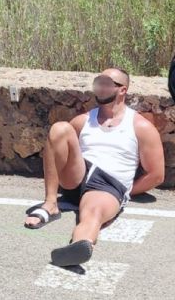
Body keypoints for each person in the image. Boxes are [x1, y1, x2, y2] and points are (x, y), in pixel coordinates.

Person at [24, 68, 164, 266]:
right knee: (60, 128)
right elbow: (60, 149)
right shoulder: (84, 120)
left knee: (93, 212)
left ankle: (80, 245)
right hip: (78, 176)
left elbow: (156, 175)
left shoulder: (140, 127)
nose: (100, 87)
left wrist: (125, 192)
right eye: (98, 82)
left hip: (108, 184)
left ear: (122, 90)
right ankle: (50, 203)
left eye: (106, 83)